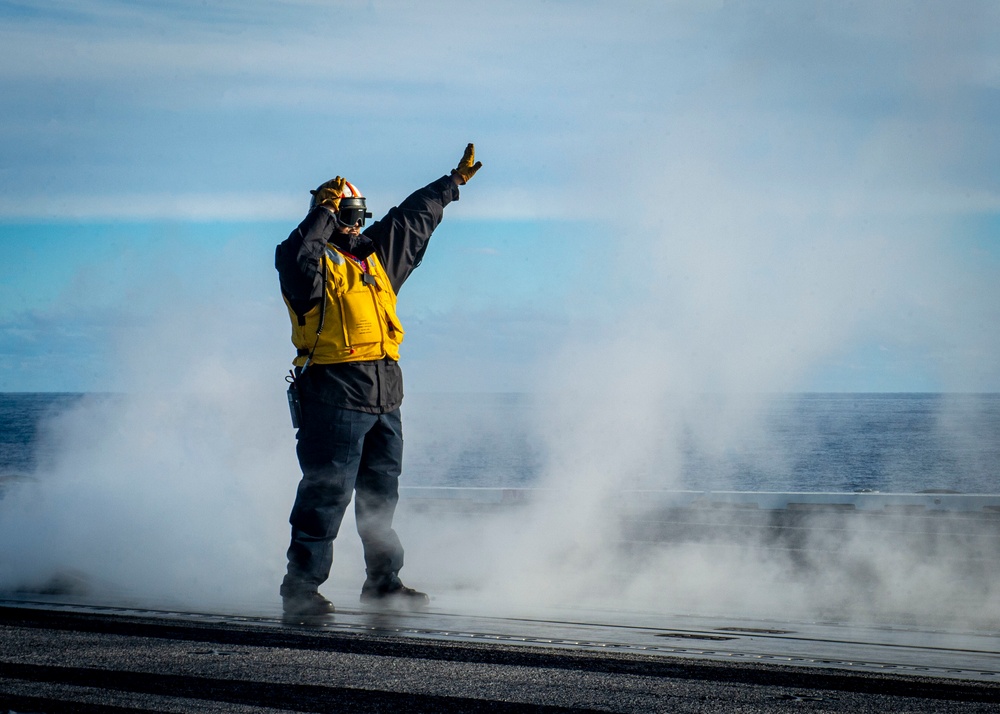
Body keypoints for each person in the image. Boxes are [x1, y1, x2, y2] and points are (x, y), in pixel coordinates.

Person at [274, 144, 483, 617]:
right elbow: (296, 252)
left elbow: (413, 219)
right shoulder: (308, 265)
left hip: (385, 394)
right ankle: (300, 589)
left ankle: (383, 584)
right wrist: (325, 211)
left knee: (379, 498)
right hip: (334, 392)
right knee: (325, 493)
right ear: (325, 214)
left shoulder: (376, 261)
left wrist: (451, 184)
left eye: (358, 215)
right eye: (344, 215)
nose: (354, 225)